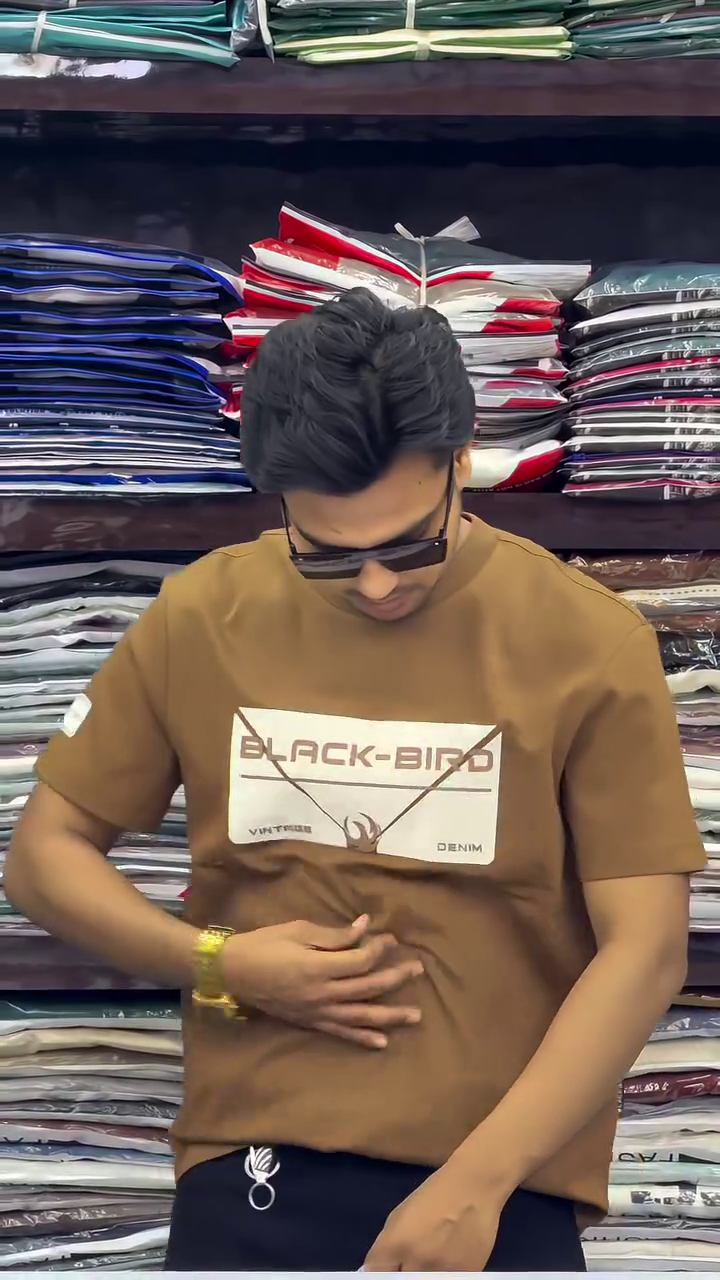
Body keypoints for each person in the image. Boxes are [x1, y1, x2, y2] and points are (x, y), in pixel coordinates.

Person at [6, 287, 704, 1273]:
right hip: (252, 1170)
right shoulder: (205, 613)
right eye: (328, 555)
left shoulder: (586, 639)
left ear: (464, 459)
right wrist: (218, 961)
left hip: (496, 1189)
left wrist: (479, 1184)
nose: (376, 584)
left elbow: (646, 950)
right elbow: (43, 856)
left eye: (410, 543)